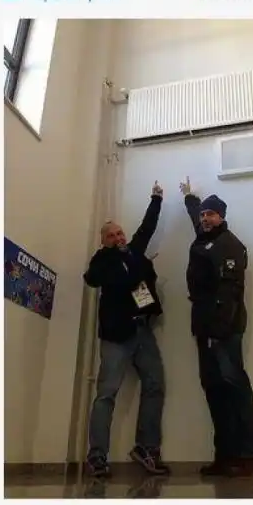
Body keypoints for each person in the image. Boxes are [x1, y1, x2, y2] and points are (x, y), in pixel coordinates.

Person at [83, 181, 169, 478]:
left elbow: (147, 228)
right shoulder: (103, 260)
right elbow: (91, 279)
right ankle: (97, 456)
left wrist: (156, 198)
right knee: (106, 394)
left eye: (120, 233)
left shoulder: (133, 252)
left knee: (155, 385)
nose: (118, 237)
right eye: (111, 235)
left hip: (142, 331)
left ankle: (146, 448)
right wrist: (108, 255)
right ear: (103, 241)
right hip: (116, 336)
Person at [179, 177, 253, 478]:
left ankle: (248, 457)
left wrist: (218, 331)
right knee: (215, 392)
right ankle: (225, 457)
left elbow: (230, 293)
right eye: (203, 214)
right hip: (205, 329)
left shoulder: (229, 245)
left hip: (223, 330)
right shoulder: (207, 240)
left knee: (235, 389)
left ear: (222, 217)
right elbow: (197, 222)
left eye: (210, 214)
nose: (205, 218)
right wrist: (190, 199)